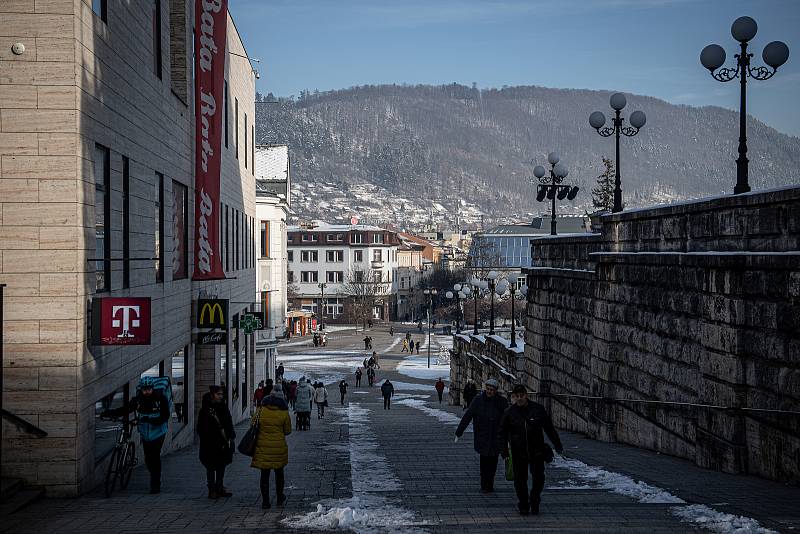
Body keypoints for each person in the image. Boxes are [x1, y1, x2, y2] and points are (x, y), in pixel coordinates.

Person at [498, 384, 564, 516]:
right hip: (518, 451)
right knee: (520, 480)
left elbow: (549, 428)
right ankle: (523, 503)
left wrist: (557, 444)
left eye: (522, 395)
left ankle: (535, 498)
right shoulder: (509, 412)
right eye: (517, 396)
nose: (520, 398)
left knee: (539, 478)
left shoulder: (537, 409)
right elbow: (502, 434)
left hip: (536, 450)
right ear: (513, 397)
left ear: (526, 395)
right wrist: (504, 451)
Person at [102, 376, 170, 494]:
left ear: (152, 388)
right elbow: (125, 409)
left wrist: (152, 421)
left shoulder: (161, 399)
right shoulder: (137, 400)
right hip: (145, 433)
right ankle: (153, 474)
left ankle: (155, 484)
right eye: (144, 389)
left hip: (158, 432)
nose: (147, 392)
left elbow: (165, 415)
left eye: (149, 389)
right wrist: (109, 413)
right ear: (141, 389)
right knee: (148, 458)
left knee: (154, 456)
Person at [454, 379, 508, 494]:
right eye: (488, 389)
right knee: (484, 462)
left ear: (495, 391)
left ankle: (490, 484)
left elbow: (508, 419)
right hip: (482, 435)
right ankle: (484, 485)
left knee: (493, 462)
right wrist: (459, 432)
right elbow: (468, 415)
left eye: (492, 390)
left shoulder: (501, 402)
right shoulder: (478, 400)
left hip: (496, 436)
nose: (489, 391)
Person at [251, 388, 292, 509]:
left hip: (263, 447)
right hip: (278, 448)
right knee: (279, 474)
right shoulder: (284, 413)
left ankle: (265, 501)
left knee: (264, 475)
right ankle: (279, 497)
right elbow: (288, 431)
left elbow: (253, 425)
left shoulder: (260, 411)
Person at [197, 385, 235, 499]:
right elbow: (200, 427)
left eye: (222, 394)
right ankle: (212, 489)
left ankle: (219, 487)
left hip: (222, 442)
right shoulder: (205, 409)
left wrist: (231, 435)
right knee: (210, 466)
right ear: (212, 394)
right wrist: (206, 437)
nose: (221, 396)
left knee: (221, 465)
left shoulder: (223, 407)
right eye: (218, 394)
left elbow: (228, 422)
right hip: (209, 442)